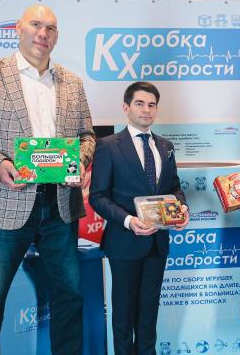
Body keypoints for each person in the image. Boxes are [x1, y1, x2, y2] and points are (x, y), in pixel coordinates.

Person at [0, 4, 95, 355]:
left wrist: (80, 160)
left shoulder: (72, 83)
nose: (43, 33)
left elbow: (87, 136)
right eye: (36, 24)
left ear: (57, 36)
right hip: (5, 204)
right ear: (18, 28)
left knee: (69, 298)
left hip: (60, 207)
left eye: (51, 28)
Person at [89, 81, 189, 355]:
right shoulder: (108, 146)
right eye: (140, 104)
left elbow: (175, 187)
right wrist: (129, 221)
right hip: (124, 242)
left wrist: (181, 209)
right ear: (126, 107)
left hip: (157, 243)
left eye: (151, 105)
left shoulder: (165, 146)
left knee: (149, 312)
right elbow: (98, 196)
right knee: (123, 313)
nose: (146, 110)